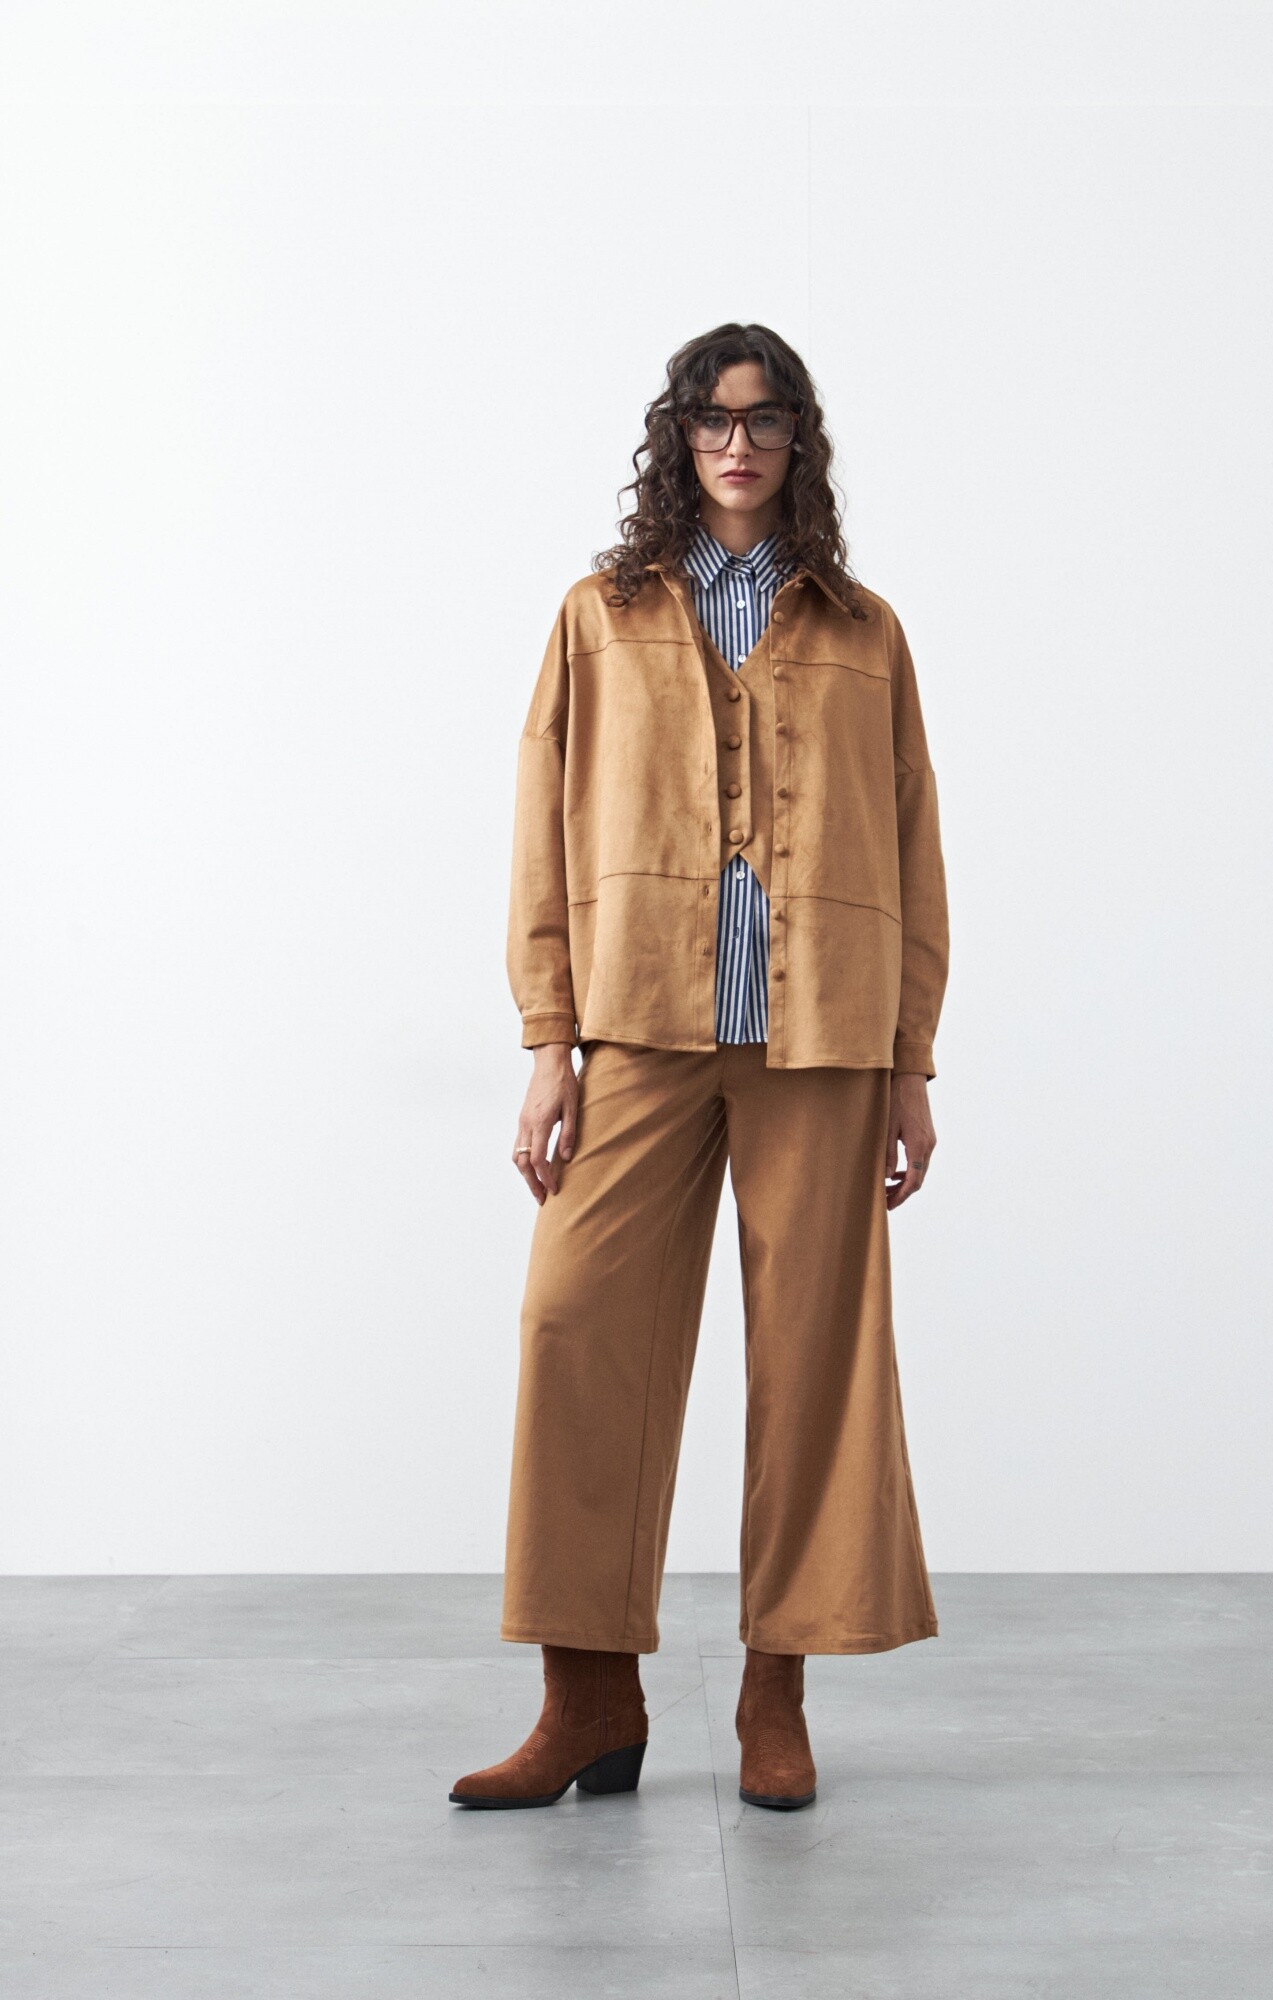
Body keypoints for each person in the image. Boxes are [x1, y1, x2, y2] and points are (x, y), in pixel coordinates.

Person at [450, 321, 949, 1813]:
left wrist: (910, 1064)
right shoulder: (598, 616)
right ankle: (588, 1702)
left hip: (824, 1035)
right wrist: (550, 1039)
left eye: (767, 418)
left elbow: (914, 844)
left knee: (811, 1366)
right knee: (573, 1327)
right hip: (639, 1026)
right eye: (713, 420)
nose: (739, 444)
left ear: (800, 440)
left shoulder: (864, 629)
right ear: (678, 437)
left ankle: (773, 1696)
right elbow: (541, 829)